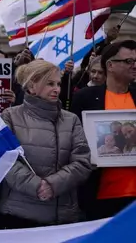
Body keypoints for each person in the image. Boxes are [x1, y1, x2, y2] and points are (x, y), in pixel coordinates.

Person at [0, 60, 91, 228]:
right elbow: (3, 159)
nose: (57, 89)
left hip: (62, 217)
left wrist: (53, 185)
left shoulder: (71, 119)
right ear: (32, 86)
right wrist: (36, 186)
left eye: (58, 84)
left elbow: (82, 162)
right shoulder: (10, 116)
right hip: (18, 215)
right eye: (50, 84)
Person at [71, 40, 136, 219]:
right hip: (99, 195)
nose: (134, 66)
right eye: (129, 61)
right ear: (110, 65)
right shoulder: (86, 98)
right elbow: (74, 140)